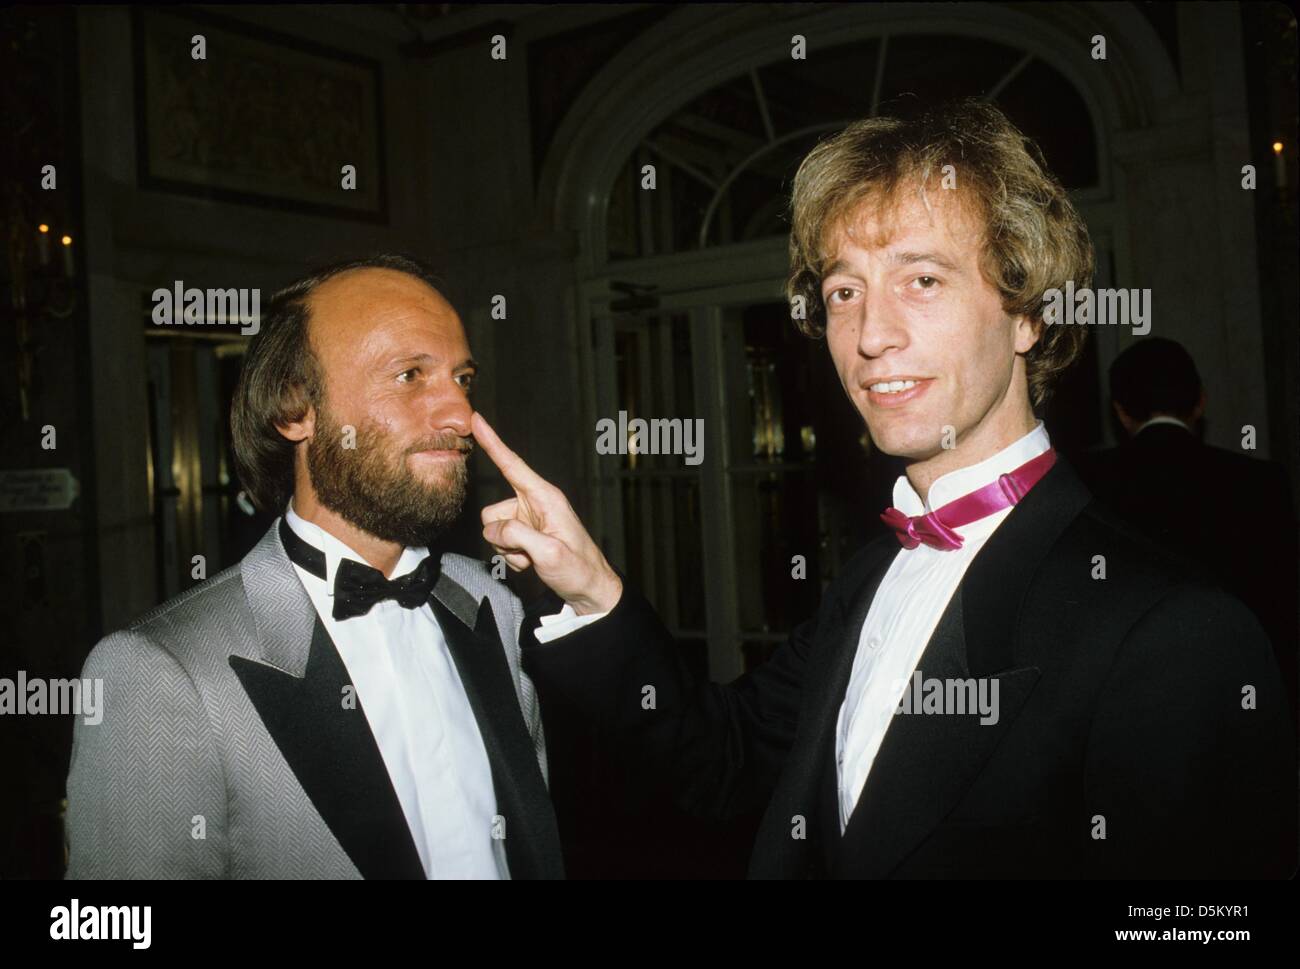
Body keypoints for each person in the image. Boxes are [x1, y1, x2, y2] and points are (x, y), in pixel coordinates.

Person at [472, 100, 1296, 878]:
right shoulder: (871, 577)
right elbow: (719, 762)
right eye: (844, 292)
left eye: (922, 280)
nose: (870, 335)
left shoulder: (1171, 627)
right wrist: (593, 587)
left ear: (1025, 315)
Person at [65, 254, 568, 879]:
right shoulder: (157, 674)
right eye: (410, 375)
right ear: (294, 410)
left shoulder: (492, 601)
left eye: (461, 378)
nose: (459, 416)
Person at [1079, 337, 1297, 716]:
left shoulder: (1085, 481)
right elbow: (1283, 605)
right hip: (1238, 691)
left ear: (1121, 412)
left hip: (1127, 700)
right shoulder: (1260, 482)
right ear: (1200, 401)